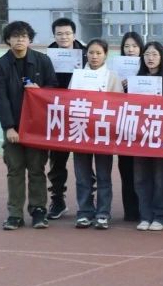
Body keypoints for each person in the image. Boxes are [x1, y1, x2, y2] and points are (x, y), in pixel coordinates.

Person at [0, 21, 58, 230]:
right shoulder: (1, 64)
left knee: (37, 169)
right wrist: (9, 127)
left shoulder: (42, 60)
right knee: (15, 170)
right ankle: (15, 213)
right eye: (15, 36)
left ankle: (38, 210)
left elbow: (54, 89)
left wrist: (41, 90)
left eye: (23, 36)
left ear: (30, 39)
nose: (19, 40)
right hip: (14, 126)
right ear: (8, 40)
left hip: (37, 126)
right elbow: (1, 98)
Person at [70, 39, 124, 230]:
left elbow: (119, 104)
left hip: (103, 133)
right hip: (81, 130)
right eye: (91, 52)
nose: (94, 56)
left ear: (106, 55)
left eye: (98, 53)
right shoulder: (77, 75)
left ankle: (102, 213)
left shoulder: (112, 77)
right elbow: (68, 101)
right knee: (82, 175)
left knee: (103, 175)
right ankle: (85, 212)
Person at [132, 41, 163, 231]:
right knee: (140, 178)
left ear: (161, 57)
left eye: (154, 54)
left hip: (162, 136)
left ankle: (160, 216)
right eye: (147, 54)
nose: (150, 58)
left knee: (160, 178)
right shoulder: (136, 80)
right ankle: (145, 215)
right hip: (139, 135)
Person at [46, 17, 86, 221]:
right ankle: (57, 200)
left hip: (82, 113)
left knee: (85, 160)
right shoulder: (46, 56)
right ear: (54, 36)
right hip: (57, 114)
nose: (64, 37)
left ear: (74, 34)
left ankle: (86, 204)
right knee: (57, 161)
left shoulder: (86, 53)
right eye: (59, 34)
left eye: (67, 33)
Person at [117, 31, 144, 223]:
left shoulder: (148, 68)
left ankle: (145, 208)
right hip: (123, 127)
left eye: (134, 46)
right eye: (127, 46)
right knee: (126, 169)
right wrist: (120, 86)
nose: (131, 50)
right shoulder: (114, 70)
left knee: (143, 171)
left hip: (143, 127)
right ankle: (130, 211)